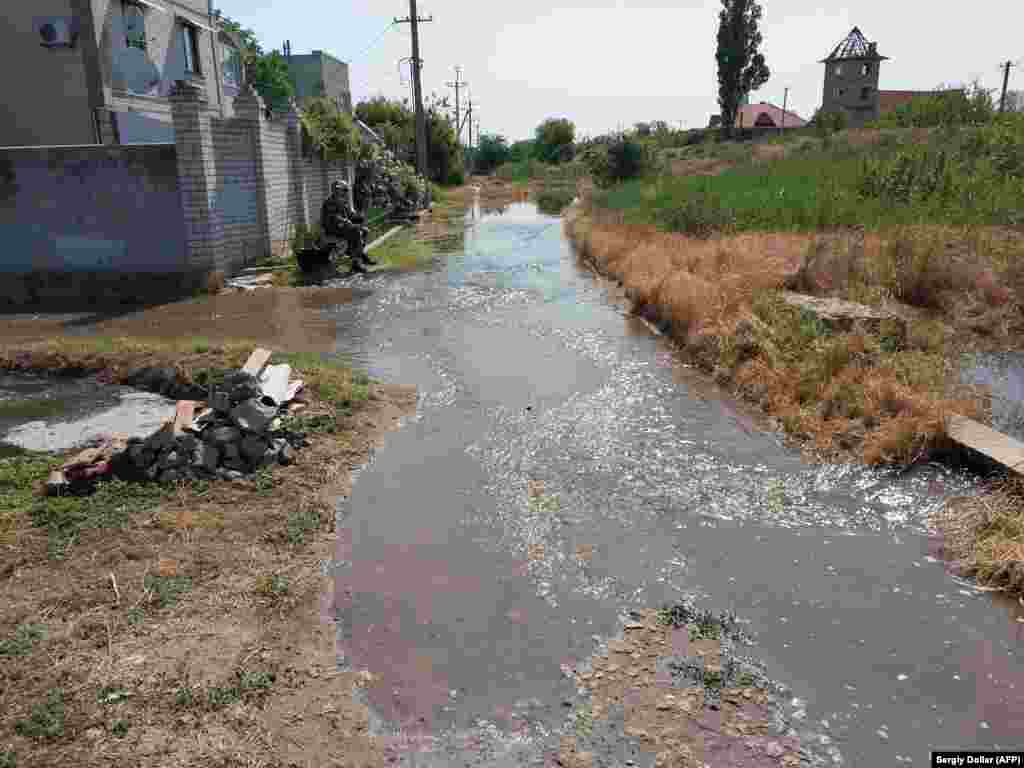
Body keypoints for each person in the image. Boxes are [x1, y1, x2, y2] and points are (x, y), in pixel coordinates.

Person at [320, 181, 376, 272]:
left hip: (342, 227)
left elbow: (349, 214)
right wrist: (346, 221)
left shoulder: (343, 200)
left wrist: (360, 217)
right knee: (355, 231)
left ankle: (360, 254)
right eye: (344, 190)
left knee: (365, 231)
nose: (346, 192)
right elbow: (335, 217)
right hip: (332, 228)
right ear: (336, 190)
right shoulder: (330, 202)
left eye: (346, 190)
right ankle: (356, 263)